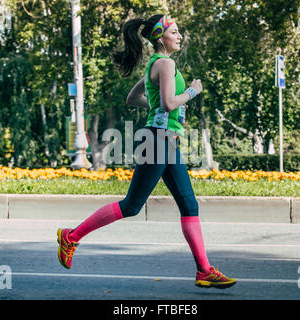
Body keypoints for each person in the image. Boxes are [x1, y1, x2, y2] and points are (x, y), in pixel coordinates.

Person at [57, 14, 237, 289]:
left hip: (165, 141)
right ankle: (71, 236)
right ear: (160, 37)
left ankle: (204, 270)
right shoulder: (164, 64)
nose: (179, 36)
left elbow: (134, 99)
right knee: (131, 205)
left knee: (189, 205)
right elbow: (166, 103)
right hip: (157, 141)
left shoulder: (156, 64)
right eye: (174, 32)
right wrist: (191, 92)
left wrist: (160, 107)